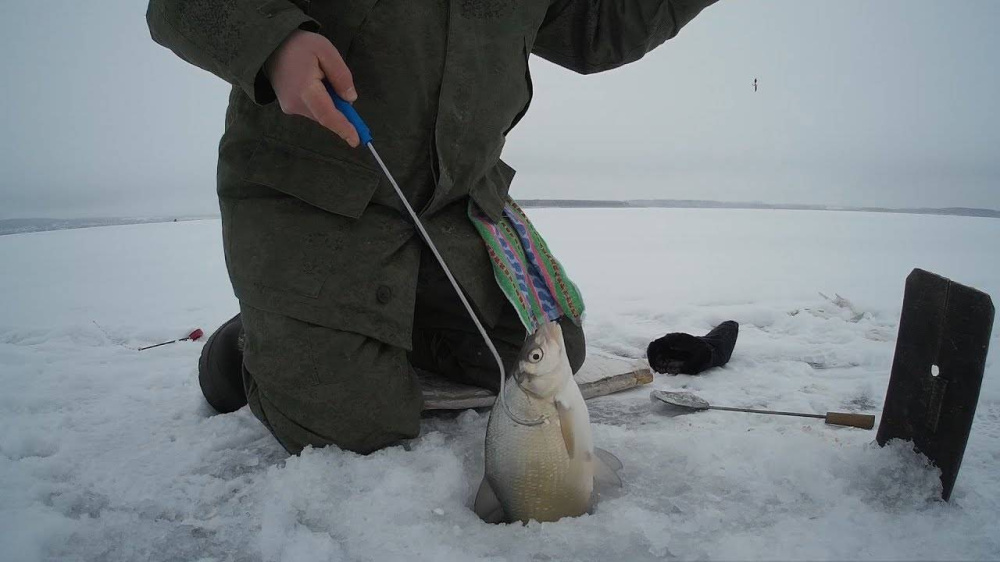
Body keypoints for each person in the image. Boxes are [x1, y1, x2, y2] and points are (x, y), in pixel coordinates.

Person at [147, 0, 718, 455]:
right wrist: (272, 39)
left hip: (458, 203)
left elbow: (595, 27)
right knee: (351, 427)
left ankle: (362, 316)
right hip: (314, 194)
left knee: (548, 357)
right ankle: (258, 339)